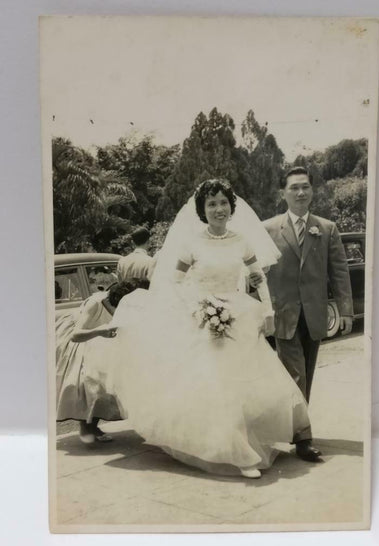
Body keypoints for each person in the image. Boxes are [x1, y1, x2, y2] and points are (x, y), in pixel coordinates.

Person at [100, 179, 312, 479]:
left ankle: (245, 444)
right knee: (216, 388)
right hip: (203, 319)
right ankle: (239, 455)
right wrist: (198, 308)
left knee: (242, 387)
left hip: (237, 315)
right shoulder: (192, 243)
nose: (218, 209)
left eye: (223, 202)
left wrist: (267, 309)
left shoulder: (241, 241)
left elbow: (258, 278)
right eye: (211, 204)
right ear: (202, 209)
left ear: (231, 207)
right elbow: (174, 282)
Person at [263, 166, 354, 460]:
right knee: (296, 374)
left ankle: (293, 429)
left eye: (305, 187)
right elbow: (257, 274)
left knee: (307, 374)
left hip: (314, 316)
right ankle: (304, 439)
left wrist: (345, 312)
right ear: (283, 193)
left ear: (312, 191)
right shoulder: (268, 229)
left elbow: (339, 273)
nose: (300, 193)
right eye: (294, 188)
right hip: (283, 315)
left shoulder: (327, 229)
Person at [56, 279, 146, 444]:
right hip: (83, 340)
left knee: (107, 385)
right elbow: (76, 335)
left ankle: (93, 425)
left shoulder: (129, 306)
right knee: (86, 384)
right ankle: (86, 427)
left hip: (102, 344)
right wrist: (99, 331)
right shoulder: (95, 303)